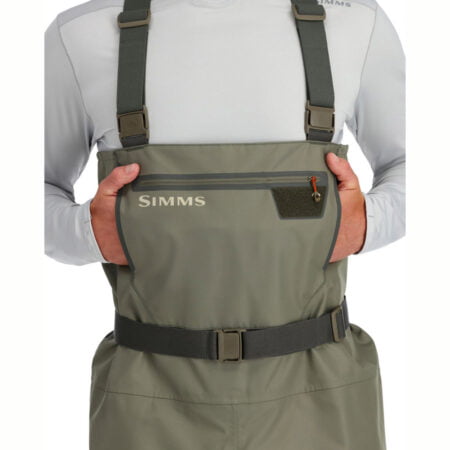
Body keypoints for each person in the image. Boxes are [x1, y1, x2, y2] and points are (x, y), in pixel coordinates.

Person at [45, 0, 405, 449]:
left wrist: (369, 223)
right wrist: (86, 232)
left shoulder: (356, 24)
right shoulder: (81, 34)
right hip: (149, 399)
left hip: (320, 393)